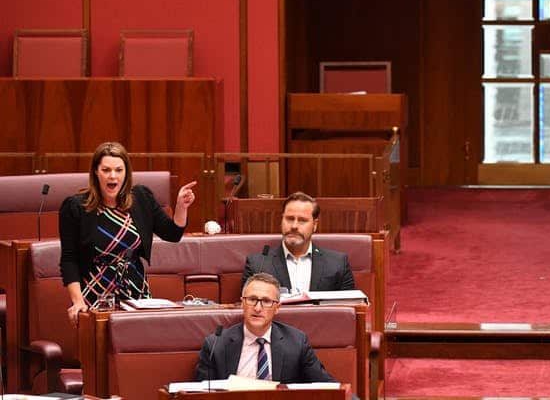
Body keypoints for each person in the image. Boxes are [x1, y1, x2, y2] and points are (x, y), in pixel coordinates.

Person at [59, 141, 197, 326]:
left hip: (135, 290)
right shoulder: (75, 207)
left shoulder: (141, 198)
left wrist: (181, 207)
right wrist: (78, 302)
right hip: (95, 292)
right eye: (106, 170)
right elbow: (69, 259)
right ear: (95, 172)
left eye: (119, 170)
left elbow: (172, 234)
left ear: (126, 173)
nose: (113, 176)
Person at [195, 272, 335, 383]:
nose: (257, 308)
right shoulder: (216, 345)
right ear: (242, 303)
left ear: (277, 308)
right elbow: (201, 395)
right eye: (252, 299)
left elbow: (327, 387)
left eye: (266, 301)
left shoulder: (296, 342)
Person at [241, 192, 355, 292]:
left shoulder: (337, 264)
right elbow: (248, 307)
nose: (294, 226)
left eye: (302, 220)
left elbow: (350, 310)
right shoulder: (258, 265)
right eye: (289, 219)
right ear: (281, 220)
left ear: (314, 225)